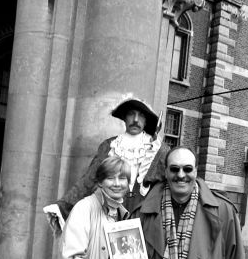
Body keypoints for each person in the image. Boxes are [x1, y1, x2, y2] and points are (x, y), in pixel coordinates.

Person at [44, 97, 169, 231]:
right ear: (125, 117)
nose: (136, 120)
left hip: (146, 218)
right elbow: (89, 180)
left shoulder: (158, 149)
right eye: (131, 114)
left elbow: (170, 184)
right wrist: (63, 206)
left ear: (146, 120)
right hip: (109, 214)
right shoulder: (109, 146)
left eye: (141, 116)